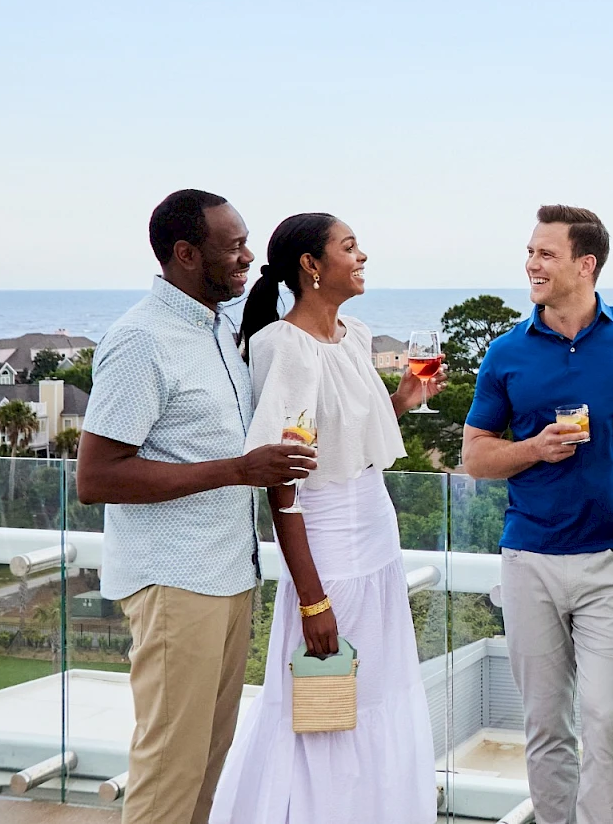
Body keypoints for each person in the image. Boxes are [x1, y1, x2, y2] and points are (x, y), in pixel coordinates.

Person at [460, 205, 613, 824]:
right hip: (529, 560)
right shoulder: (507, 351)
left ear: (585, 264)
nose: (531, 264)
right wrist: (535, 448)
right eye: (531, 252)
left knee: (604, 717)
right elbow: (475, 457)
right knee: (545, 724)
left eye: (546, 253)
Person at [76, 189, 315, 824]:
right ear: (186, 254)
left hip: (230, 576)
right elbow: (96, 477)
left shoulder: (217, 331)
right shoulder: (140, 340)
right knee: (169, 773)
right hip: (175, 582)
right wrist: (239, 470)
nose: (248, 256)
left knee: (207, 765)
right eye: (233, 246)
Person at [210, 213, 445, 824]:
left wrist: (403, 401)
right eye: (349, 248)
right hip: (330, 556)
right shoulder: (283, 348)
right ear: (312, 267)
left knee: (376, 700)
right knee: (327, 708)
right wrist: (312, 601)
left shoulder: (356, 334)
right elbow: (282, 486)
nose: (362, 256)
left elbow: (348, 437)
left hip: (378, 544)